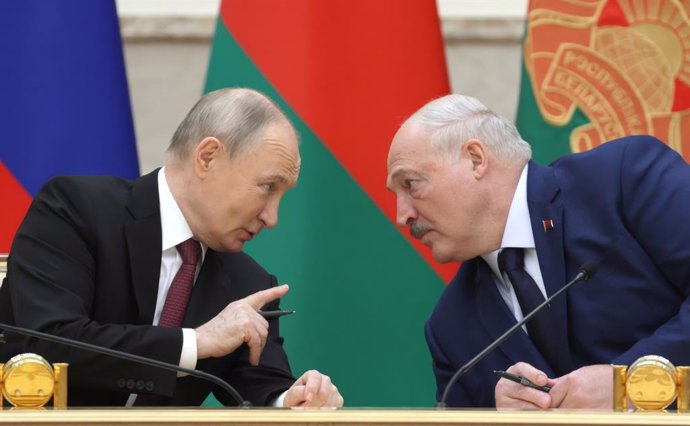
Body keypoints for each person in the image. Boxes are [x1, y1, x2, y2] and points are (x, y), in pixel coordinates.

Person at [0, 88, 343, 408]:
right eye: (267, 187)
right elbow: (49, 343)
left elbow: (264, 388)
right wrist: (194, 343)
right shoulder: (75, 210)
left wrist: (295, 399)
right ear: (208, 157)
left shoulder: (250, 283)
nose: (272, 217)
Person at [386, 93, 690, 409]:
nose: (401, 215)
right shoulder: (449, 328)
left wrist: (629, 384)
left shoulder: (622, 179)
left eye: (410, 184)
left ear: (475, 159)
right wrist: (495, 418)